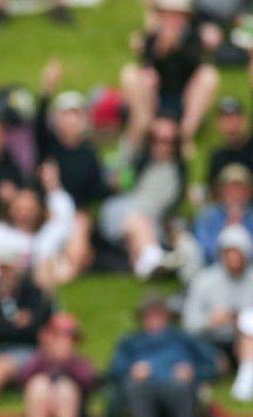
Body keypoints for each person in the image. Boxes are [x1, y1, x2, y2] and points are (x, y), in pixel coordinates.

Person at [36, 59, 110, 273]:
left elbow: (96, 190)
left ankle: (65, 269)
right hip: (48, 212)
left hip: (77, 216)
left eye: (75, 115)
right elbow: (38, 124)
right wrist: (47, 89)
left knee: (80, 227)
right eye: (65, 115)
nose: (70, 121)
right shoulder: (48, 147)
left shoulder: (90, 154)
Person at [110, 294, 219, 417]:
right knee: (135, 387)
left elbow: (212, 365)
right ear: (142, 318)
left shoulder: (185, 339)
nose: (154, 320)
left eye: (158, 315)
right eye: (149, 316)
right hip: (145, 388)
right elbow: (115, 369)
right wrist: (132, 371)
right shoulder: (130, 342)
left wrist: (193, 371)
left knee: (182, 387)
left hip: (179, 388)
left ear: (167, 316)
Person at [120, 0, 218, 147]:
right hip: (155, 98)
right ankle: (144, 130)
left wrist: (176, 47)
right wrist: (159, 52)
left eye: (176, 15)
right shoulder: (152, 38)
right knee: (130, 73)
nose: (171, 19)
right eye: (167, 14)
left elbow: (195, 65)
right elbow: (147, 65)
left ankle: (183, 137)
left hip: (183, 98)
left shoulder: (193, 38)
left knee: (209, 76)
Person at [100, 113, 186, 279]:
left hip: (150, 223)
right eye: (157, 139)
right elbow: (133, 133)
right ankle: (154, 257)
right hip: (121, 212)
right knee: (138, 220)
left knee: (139, 225)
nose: (162, 146)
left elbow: (166, 208)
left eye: (169, 141)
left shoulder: (177, 172)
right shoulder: (138, 160)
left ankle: (144, 265)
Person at [0, 249, 54, 401]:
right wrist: (15, 324)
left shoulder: (33, 293)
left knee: (0, 366)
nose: (5, 272)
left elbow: (34, 329)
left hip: (26, 351)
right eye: (2, 267)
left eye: (8, 267)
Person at [0, 175, 76, 291]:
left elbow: (64, 219)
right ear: (11, 210)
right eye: (20, 209)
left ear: (40, 210)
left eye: (30, 210)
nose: (24, 215)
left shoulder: (45, 236)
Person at [183, 225, 253, 376]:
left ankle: (245, 378)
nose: (233, 258)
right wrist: (211, 321)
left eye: (238, 253)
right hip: (212, 339)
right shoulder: (204, 281)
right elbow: (189, 323)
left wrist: (241, 322)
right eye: (229, 253)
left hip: (245, 340)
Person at [20, 312, 95, 417]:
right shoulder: (39, 360)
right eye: (58, 337)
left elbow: (87, 382)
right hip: (42, 411)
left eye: (69, 338)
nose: (64, 343)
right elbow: (24, 378)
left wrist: (66, 364)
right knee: (39, 385)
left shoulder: (80, 363)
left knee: (65, 389)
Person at [193, 163, 253, 267]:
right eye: (231, 188)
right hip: (213, 269)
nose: (236, 193)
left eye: (240, 188)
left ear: (248, 192)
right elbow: (203, 247)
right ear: (221, 191)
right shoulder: (207, 215)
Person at [206, 96, 253, 186]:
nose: (231, 123)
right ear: (219, 123)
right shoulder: (217, 156)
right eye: (226, 119)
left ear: (244, 120)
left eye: (235, 117)